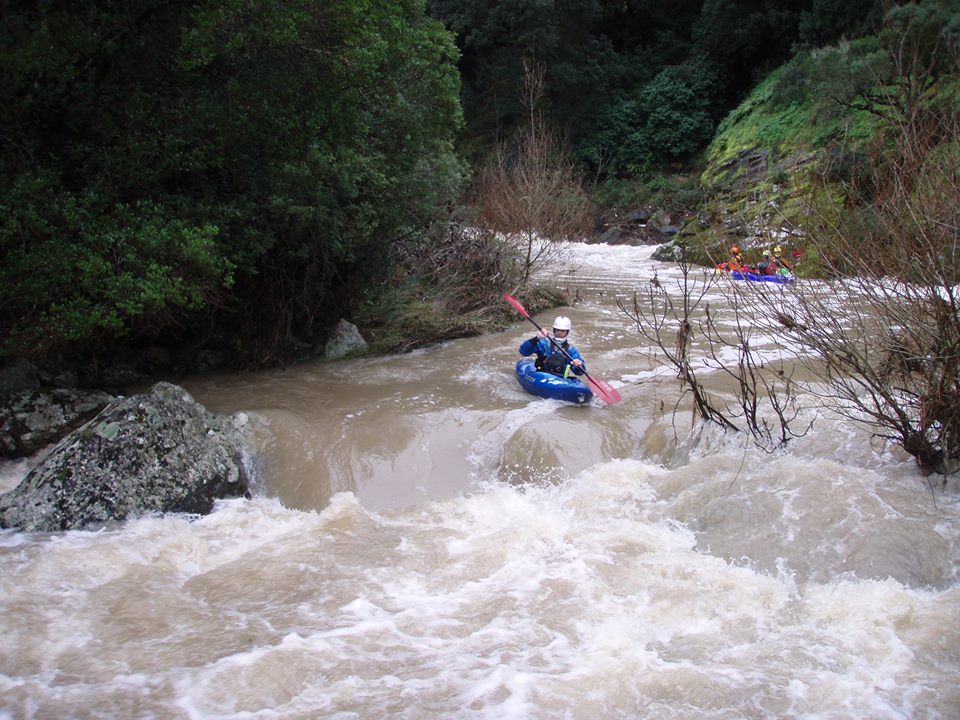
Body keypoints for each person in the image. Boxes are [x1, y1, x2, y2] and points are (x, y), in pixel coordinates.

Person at [519, 316, 586, 378]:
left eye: (563, 331)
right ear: (554, 330)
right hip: (541, 375)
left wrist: (579, 365)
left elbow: (579, 372)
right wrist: (536, 339)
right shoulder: (544, 343)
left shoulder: (571, 350)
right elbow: (523, 352)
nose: (559, 333)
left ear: (567, 332)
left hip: (560, 379)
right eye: (557, 330)